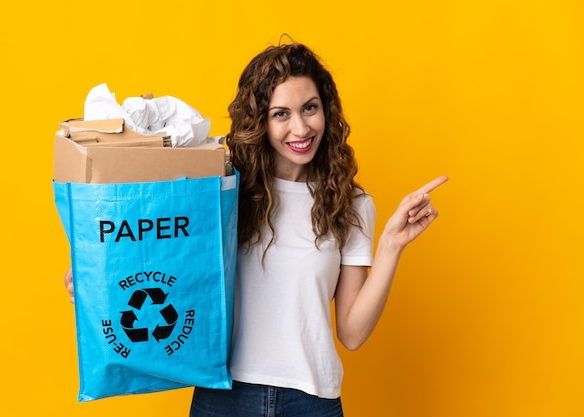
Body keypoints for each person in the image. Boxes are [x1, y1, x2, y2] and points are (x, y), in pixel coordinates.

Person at [64, 41, 447, 416]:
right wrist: (100, 280)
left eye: (309, 108)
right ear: (259, 120)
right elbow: (165, 258)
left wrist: (392, 246)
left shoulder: (351, 205)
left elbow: (351, 333)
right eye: (281, 113)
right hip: (224, 396)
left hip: (311, 401)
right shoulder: (224, 190)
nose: (300, 128)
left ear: (326, 110)